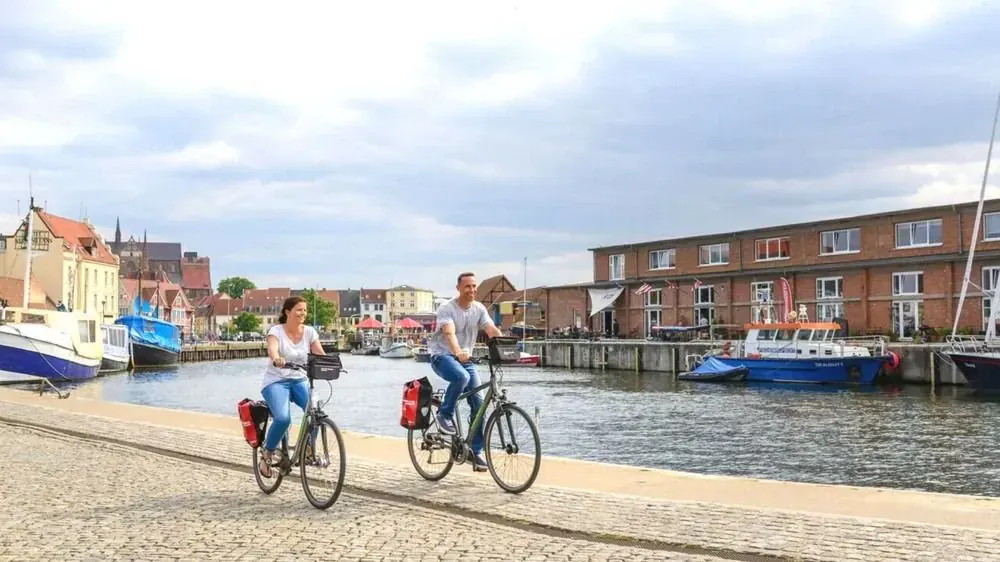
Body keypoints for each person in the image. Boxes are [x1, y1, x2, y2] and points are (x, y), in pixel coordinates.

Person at [427, 272, 503, 472]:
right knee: (462, 376)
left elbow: (491, 329)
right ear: (459, 288)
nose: (472, 290)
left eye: (474, 286)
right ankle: (444, 415)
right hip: (442, 355)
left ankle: (474, 451)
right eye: (468, 286)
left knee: (479, 403)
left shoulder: (478, 309)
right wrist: (458, 352)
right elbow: (449, 334)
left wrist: (506, 344)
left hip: (465, 358)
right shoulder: (447, 309)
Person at [258, 296, 325, 476]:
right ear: (287, 312)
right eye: (298, 309)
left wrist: (332, 363)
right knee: (283, 419)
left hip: (299, 380)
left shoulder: (310, 332)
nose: (303, 313)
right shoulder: (276, 331)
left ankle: (309, 449)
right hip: (276, 381)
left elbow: (319, 353)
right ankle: (267, 453)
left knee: (315, 413)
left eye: (304, 310)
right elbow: (272, 348)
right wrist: (276, 358)